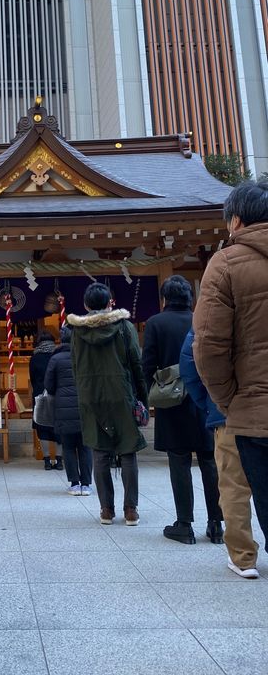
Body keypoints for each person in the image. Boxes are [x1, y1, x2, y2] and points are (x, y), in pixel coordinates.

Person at [193, 178, 268, 554]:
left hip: (255, 410)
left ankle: (243, 556)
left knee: (241, 486)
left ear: (235, 221)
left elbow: (207, 347)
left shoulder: (226, 263)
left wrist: (229, 401)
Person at [142, 274, 223, 545]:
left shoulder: (155, 323)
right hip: (204, 398)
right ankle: (216, 524)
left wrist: (150, 393)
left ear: (165, 298)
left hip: (171, 400)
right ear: (190, 296)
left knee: (179, 461)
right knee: (210, 461)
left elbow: (148, 364)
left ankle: (184, 524)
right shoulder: (202, 318)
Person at [180, 329, 259, 577]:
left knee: (234, 488)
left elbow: (192, 362)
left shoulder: (214, 310)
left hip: (228, 413)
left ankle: (243, 557)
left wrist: (212, 403)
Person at [68, 282, 148, 525]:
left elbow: (74, 366)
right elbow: (136, 362)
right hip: (121, 393)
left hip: (91, 395)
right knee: (127, 451)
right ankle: (131, 510)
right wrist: (142, 398)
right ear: (110, 302)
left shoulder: (76, 332)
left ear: (85, 305)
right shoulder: (124, 327)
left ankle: (106, 510)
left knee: (100, 452)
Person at [44, 324, 93, 495]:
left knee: (69, 447)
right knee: (86, 447)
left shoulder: (55, 359)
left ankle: (74, 483)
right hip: (85, 409)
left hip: (63, 410)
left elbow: (48, 386)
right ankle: (86, 484)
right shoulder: (85, 357)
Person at [30, 330, 62, 470]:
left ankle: (47, 460)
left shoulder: (35, 358)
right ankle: (59, 460)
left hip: (40, 395)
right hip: (58, 394)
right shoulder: (58, 355)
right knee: (59, 427)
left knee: (42, 427)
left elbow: (32, 378)